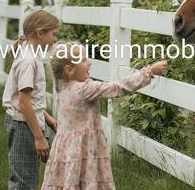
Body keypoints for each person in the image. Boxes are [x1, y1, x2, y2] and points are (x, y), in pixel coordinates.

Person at [42, 42, 167, 189]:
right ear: (69, 70)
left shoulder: (61, 88)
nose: (89, 63)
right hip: (86, 151)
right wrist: (149, 71)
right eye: (83, 60)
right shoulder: (84, 89)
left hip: (66, 152)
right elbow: (117, 87)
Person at [2, 9, 60, 189]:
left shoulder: (32, 55)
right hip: (23, 126)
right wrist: (39, 137)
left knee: (59, 160)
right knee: (24, 181)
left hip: (33, 121)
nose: (55, 39)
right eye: (53, 34)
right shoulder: (28, 61)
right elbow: (24, 102)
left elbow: (32, 100)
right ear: (40, 33)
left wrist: (47, 118)